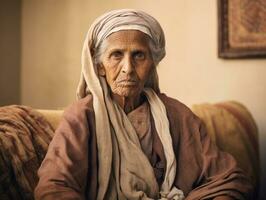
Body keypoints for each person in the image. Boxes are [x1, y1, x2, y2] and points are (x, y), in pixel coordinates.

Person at [34, 9, 253, 200]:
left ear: (152, 64)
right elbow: (54, 187)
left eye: (139, 55)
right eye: (116, 55)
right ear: (100, 67)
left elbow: (230, 179)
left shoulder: (176, 114)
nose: (128, 68)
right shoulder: (82, 116)